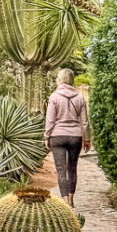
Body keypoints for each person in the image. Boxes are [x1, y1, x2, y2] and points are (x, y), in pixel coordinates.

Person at [44, 68, 90, 207]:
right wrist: (86, 139)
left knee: (61, 170)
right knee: (72, 168)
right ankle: (70, 199)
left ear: (60, 79)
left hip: (57, 136)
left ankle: (65, 202)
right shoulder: (80, 97)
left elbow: (50, 120)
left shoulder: (54, 97)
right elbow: (85, 122)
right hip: (75, 137)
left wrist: (46, 136)